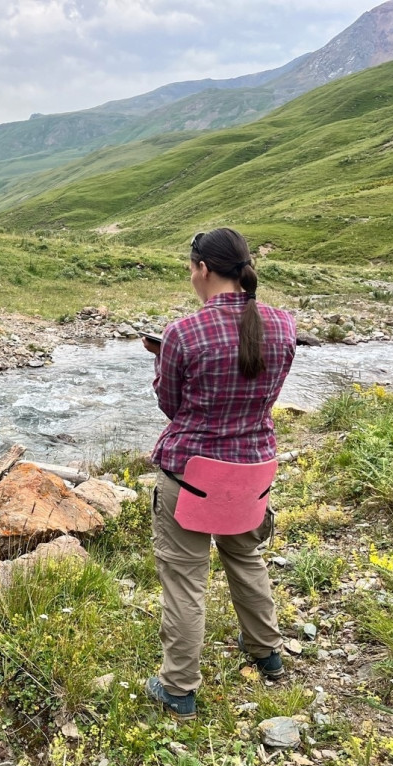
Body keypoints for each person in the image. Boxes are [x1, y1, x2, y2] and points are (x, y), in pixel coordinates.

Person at [141, 228, 297, 720]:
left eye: (191, 268)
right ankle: (267, 654)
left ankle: (179, 688)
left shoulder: (182, 333)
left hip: (192, 474)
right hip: (252, 469)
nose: (191, 276)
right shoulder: (283, 324)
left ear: (203, 268)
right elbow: (266, 392)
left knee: (186, 581)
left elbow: (171, 405)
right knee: (246, 559)